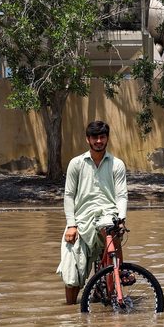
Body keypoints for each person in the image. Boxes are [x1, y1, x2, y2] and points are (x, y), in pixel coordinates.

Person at [56, 120, 128, 305]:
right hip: (81, 218)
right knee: (71, 272)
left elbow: (121, 195)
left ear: (107, 139)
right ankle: (71, 313)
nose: (98, 141)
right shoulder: (77, 163)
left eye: (102, 137)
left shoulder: (117, 164)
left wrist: (121, 218)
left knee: (111, 231)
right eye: (94, 137)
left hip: (107, 214)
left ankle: (118, 274)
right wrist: (71, 225)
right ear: (88, 139)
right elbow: (69, 195)